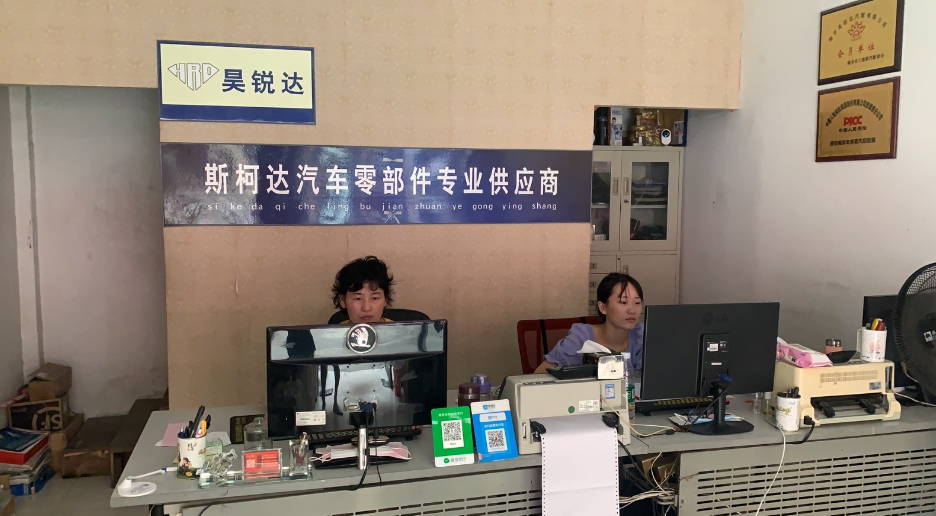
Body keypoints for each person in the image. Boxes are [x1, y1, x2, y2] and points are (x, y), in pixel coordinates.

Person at [534, 273, 644, 374]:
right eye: (623, 302)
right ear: (603, 307)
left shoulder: (640, 335)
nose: (632, 310)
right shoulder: (582, 337)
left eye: (637, 302)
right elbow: (541, 373)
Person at [332, 255, 396, 323]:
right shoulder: (338, 329)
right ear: (343, 301)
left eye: (374, 298)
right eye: (358, 298)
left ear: (385, 300)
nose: (366, 308)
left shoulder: (398, 329)